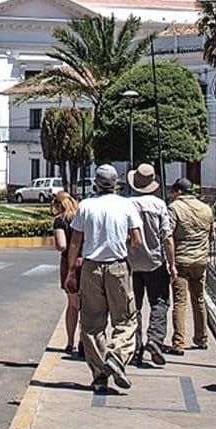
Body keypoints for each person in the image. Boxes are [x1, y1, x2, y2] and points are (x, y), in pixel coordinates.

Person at [65, 164, 144, 396]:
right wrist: (122, 242)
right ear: (116, 183)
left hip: (91, 267)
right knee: (126, 319)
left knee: (91, 324)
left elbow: (75, 242)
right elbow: (137, 240)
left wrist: (71, 270)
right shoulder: (126, 204)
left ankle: (99, 375)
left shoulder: (86, 206)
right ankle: (118, 356)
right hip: (118, 266)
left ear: (96, 184)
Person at [126, 163, 173, 368]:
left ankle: (136, 348)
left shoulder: (127, 205)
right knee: (160, 303)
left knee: (133, 307)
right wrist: (172, 263)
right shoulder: (160, 205)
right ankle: (154, 339)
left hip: (132, 262)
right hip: (155, 261)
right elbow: (167, 237)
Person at [165, 177, 215, 355]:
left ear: (178, 191)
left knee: (180, 302)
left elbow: (168, 235)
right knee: (199, 299)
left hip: (181, 261)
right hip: (200, 261)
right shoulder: (206, 209)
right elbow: (211, 235)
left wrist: (170, 263)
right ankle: (202, 338)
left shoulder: (175, 208)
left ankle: (178, 342)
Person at [52, 190, 81, 356]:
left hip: (69, 263)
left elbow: (62, 245)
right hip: (86, 260)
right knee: (87, 305)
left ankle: (70, 342)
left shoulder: (60, 221)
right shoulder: (81, 217)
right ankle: (85, 341)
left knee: (72, 304)